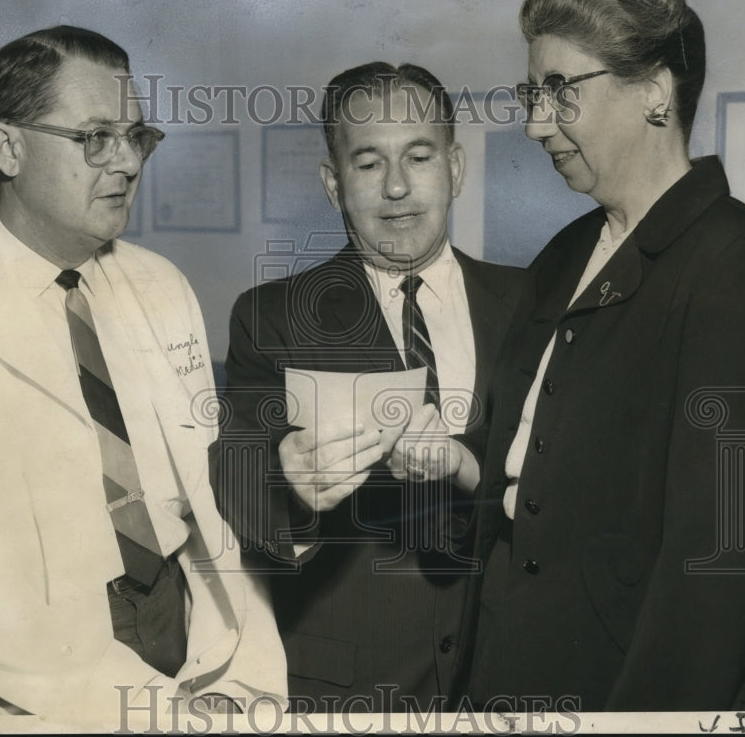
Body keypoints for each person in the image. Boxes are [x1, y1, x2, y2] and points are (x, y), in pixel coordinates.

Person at [0, 26, 286, 725]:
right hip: (15, 675)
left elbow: (210, 499)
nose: (127, 162)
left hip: (183, 630)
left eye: (136, 136)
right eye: (95, 138)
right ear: (8, 147)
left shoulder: (159, 284)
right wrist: (152, 707)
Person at [456, 0, 745, 711]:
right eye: (530, 92)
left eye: (560, 92)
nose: (533, 123)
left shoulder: (743, 261)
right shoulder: (560, 259)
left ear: (655, 91)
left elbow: (725, 565)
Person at [210, 62, 522, 711]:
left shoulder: (532, 304)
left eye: (419, 156)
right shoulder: (271, 316)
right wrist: (287, 485)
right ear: (333, 183)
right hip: (348, 694)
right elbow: (236, 471)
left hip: (511, 678)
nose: (399, 188)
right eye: (369, 163)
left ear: (455, 168)